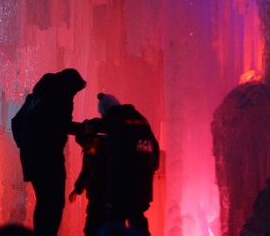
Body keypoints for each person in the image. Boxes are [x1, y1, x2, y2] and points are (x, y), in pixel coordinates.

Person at [11, 68, 86, 236]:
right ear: (70, 86)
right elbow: (62, 124)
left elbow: (16, 122)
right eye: (75, 91)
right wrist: (84, 128)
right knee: (54, 203)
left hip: (32, 159)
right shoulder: (61, 97)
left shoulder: (35, 98)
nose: (74, 95)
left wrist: (25, 146)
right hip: (49, 158)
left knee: (44, 200)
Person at [83, 93, 159, 236]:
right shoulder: (142, 120)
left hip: (122, 183)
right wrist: (149, 170)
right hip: (142, 185)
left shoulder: (116, 118)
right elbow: (155, 150)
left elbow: (101, 125)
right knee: (137, 219)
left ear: (105, 111)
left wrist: (87, 125)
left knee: (115, 222)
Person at [69, 133, 109, 236]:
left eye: (88, 147)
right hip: (95, 198)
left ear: (95, 140)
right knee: (90, 229)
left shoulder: (111, 149)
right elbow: (86, 172)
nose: (87, 150)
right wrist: (78, 189)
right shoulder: (89, 152)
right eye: (84, 148)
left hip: (110, 198)